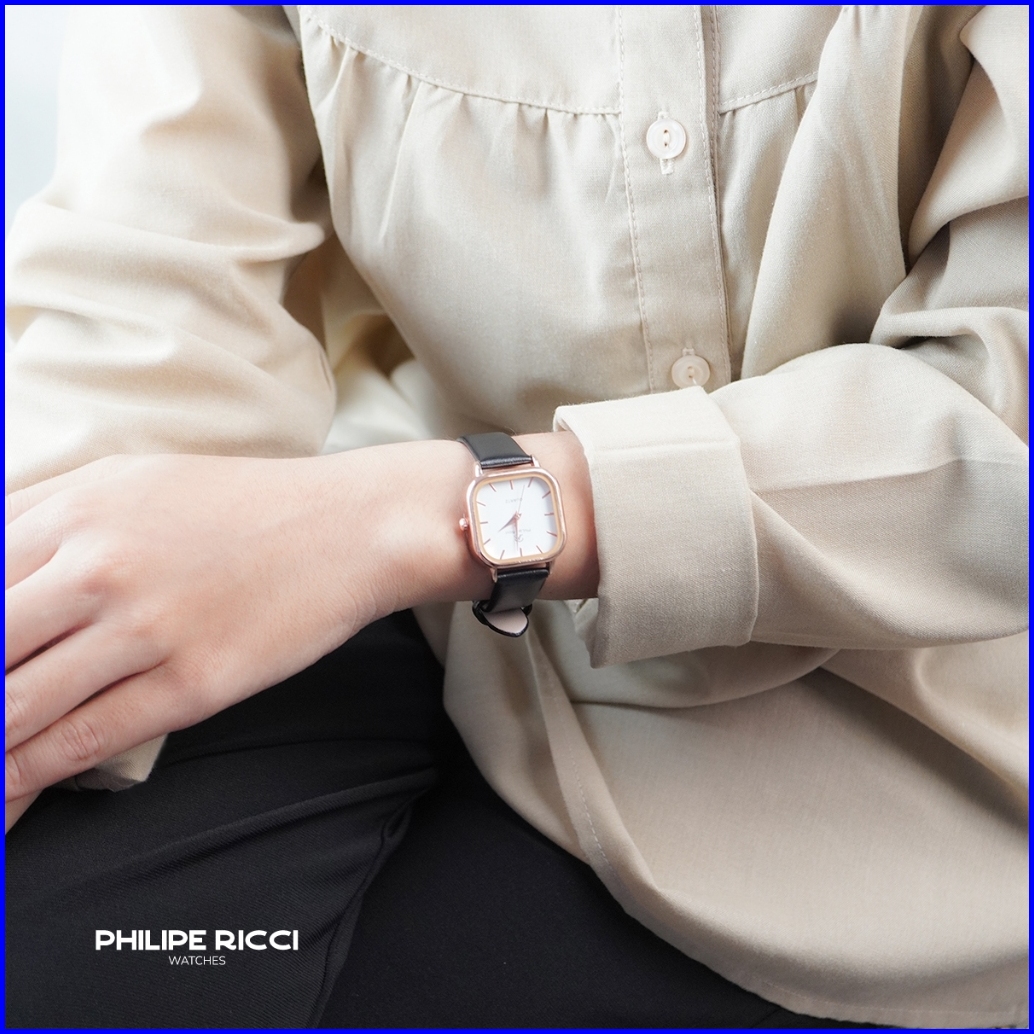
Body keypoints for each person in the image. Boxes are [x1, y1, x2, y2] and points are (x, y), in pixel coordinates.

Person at [4, 5, 1028, 1028]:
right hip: (372, 586)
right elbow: (145, 281)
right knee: (62, 964)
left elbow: (998, 441)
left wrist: (399, 521)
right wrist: (39, 649)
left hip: (895, 759)